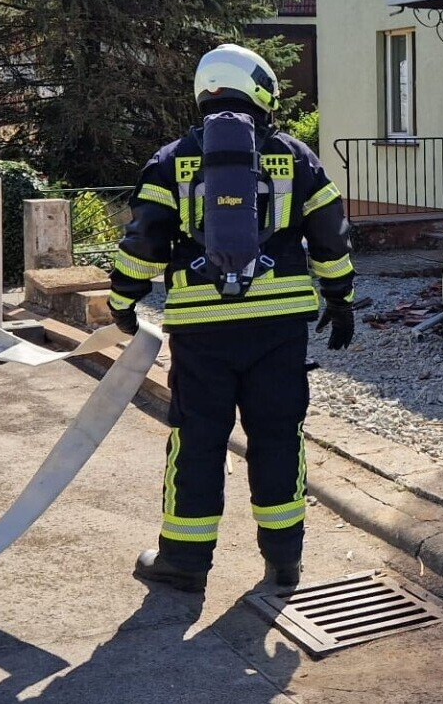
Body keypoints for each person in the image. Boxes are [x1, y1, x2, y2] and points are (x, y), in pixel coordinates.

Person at [108, 44, 356, 594]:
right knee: (278, 437)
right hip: (279, 328)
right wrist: (339, 298)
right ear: (261, 88)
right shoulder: (296, 156)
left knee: (197, 439)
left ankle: (184, 562)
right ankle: (283, 562)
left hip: (201, 331)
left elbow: (143, 240)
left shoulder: (171, 159)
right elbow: (331, 236)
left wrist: (123, 301)